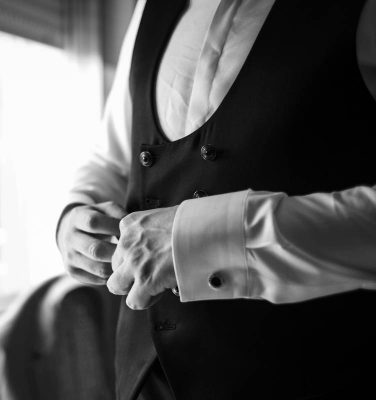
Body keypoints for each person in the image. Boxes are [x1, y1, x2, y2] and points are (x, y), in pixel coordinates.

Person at [56, 0, 376, 399]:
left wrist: (204, 238)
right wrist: (77, 213)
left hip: (315, 369)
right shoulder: (149, 9)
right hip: (146, 379)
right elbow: (112, 158)